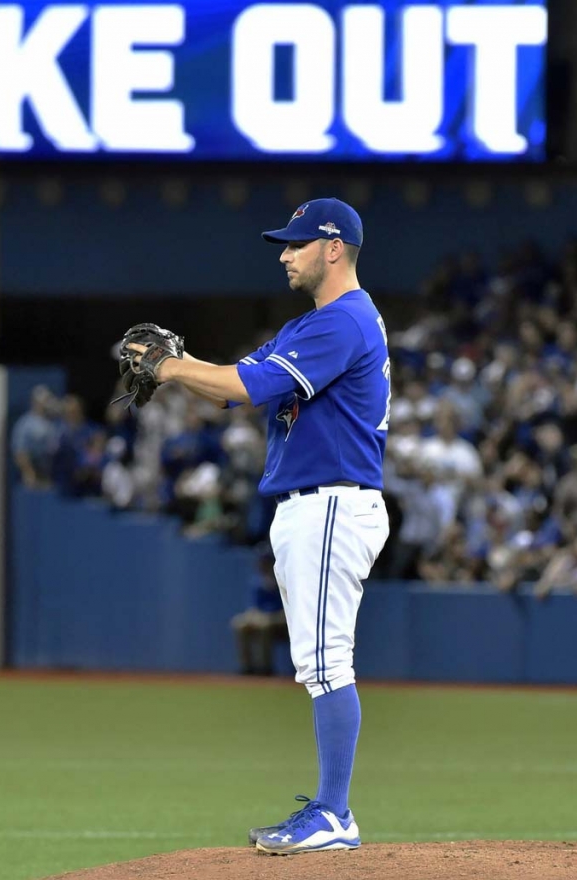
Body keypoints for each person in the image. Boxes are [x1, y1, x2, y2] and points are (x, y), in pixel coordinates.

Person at [124, 198, 390, 855]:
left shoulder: (345, 321)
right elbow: (232, 383)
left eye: (296, 244)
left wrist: (167, 366)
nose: (284, 253)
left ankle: (334, 814)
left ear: (333, 248)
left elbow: (247, 390)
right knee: (317, 663)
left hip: (332, 501)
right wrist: (185, 367)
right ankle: (331, 811)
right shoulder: (314, 325)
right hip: (310, 504)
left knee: (328, 662)